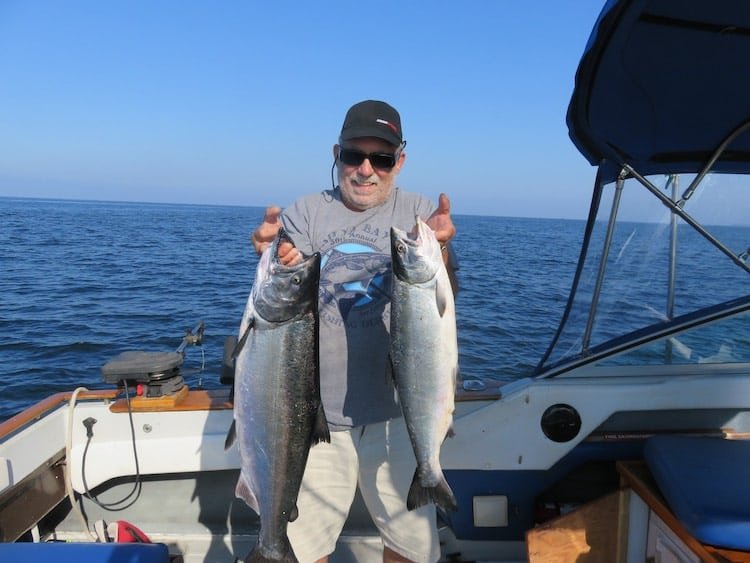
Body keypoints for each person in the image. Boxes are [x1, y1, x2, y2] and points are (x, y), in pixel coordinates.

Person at [250, 100, 456, 563]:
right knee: (302, 549)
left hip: (400, 416)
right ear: (336, 153)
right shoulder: (306, 213)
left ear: (399, 161)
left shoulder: (419, 214)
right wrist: (267, 250)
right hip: (313, 416)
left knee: (412, 550)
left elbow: (445, 302)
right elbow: (282, 284)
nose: (366, 170)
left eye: (381, 158)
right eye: (353, 156)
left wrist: (442, 254)